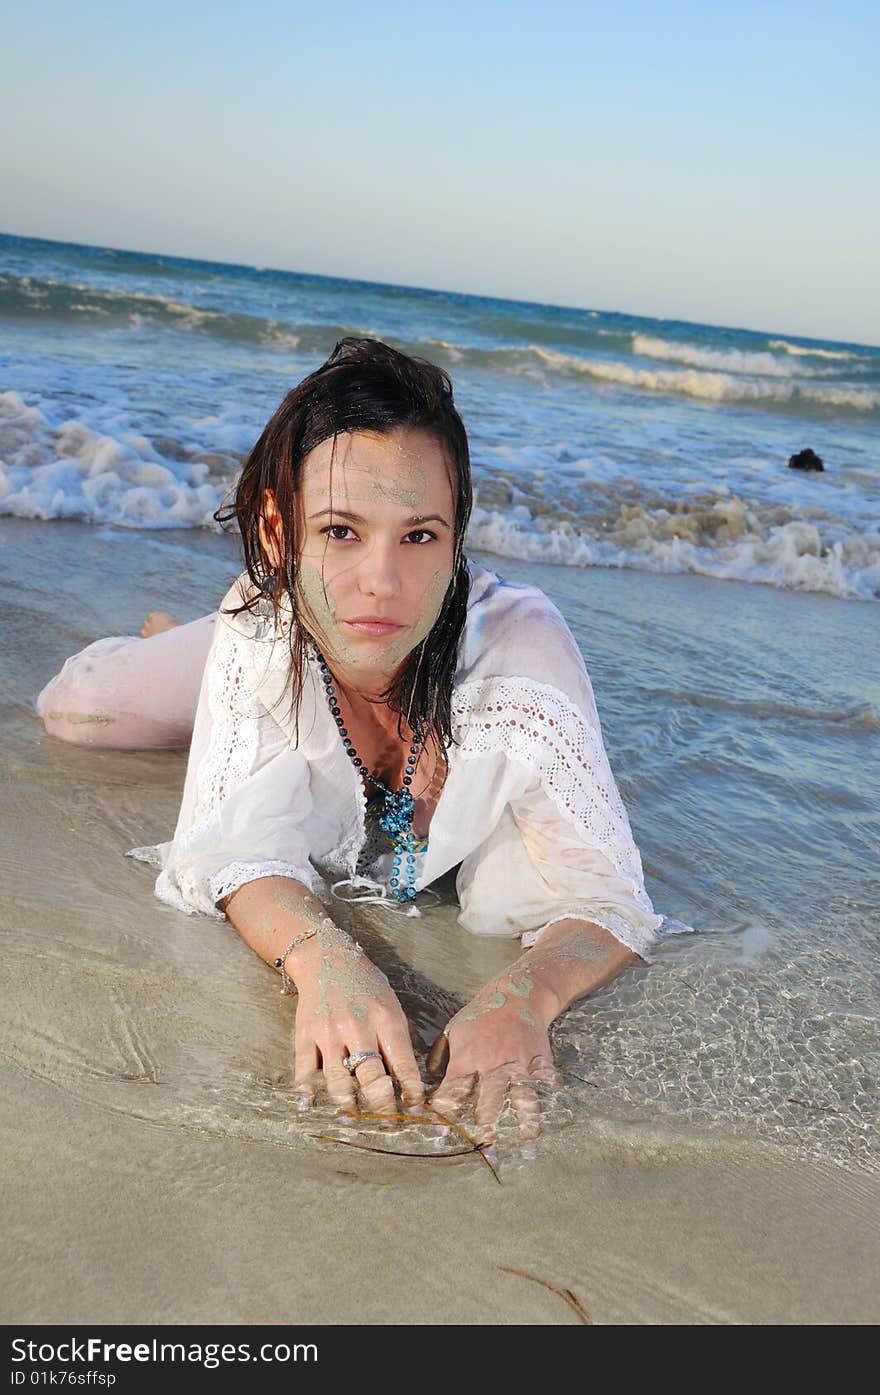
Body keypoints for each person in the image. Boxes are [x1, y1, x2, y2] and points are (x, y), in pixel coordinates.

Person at [36, 337, 675, 1156]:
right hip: (275, 631)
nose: (383, 580)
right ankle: (178, 643)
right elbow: (228, 848)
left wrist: (523, 997)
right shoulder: (261, 628)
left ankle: (233, 688)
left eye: (419, 536)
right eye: (340, 529)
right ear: (279, 528)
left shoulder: (524, 657)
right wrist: (323, 956)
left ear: (456, 542)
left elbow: (610, 894)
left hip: (314, 640)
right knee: (80, 712)